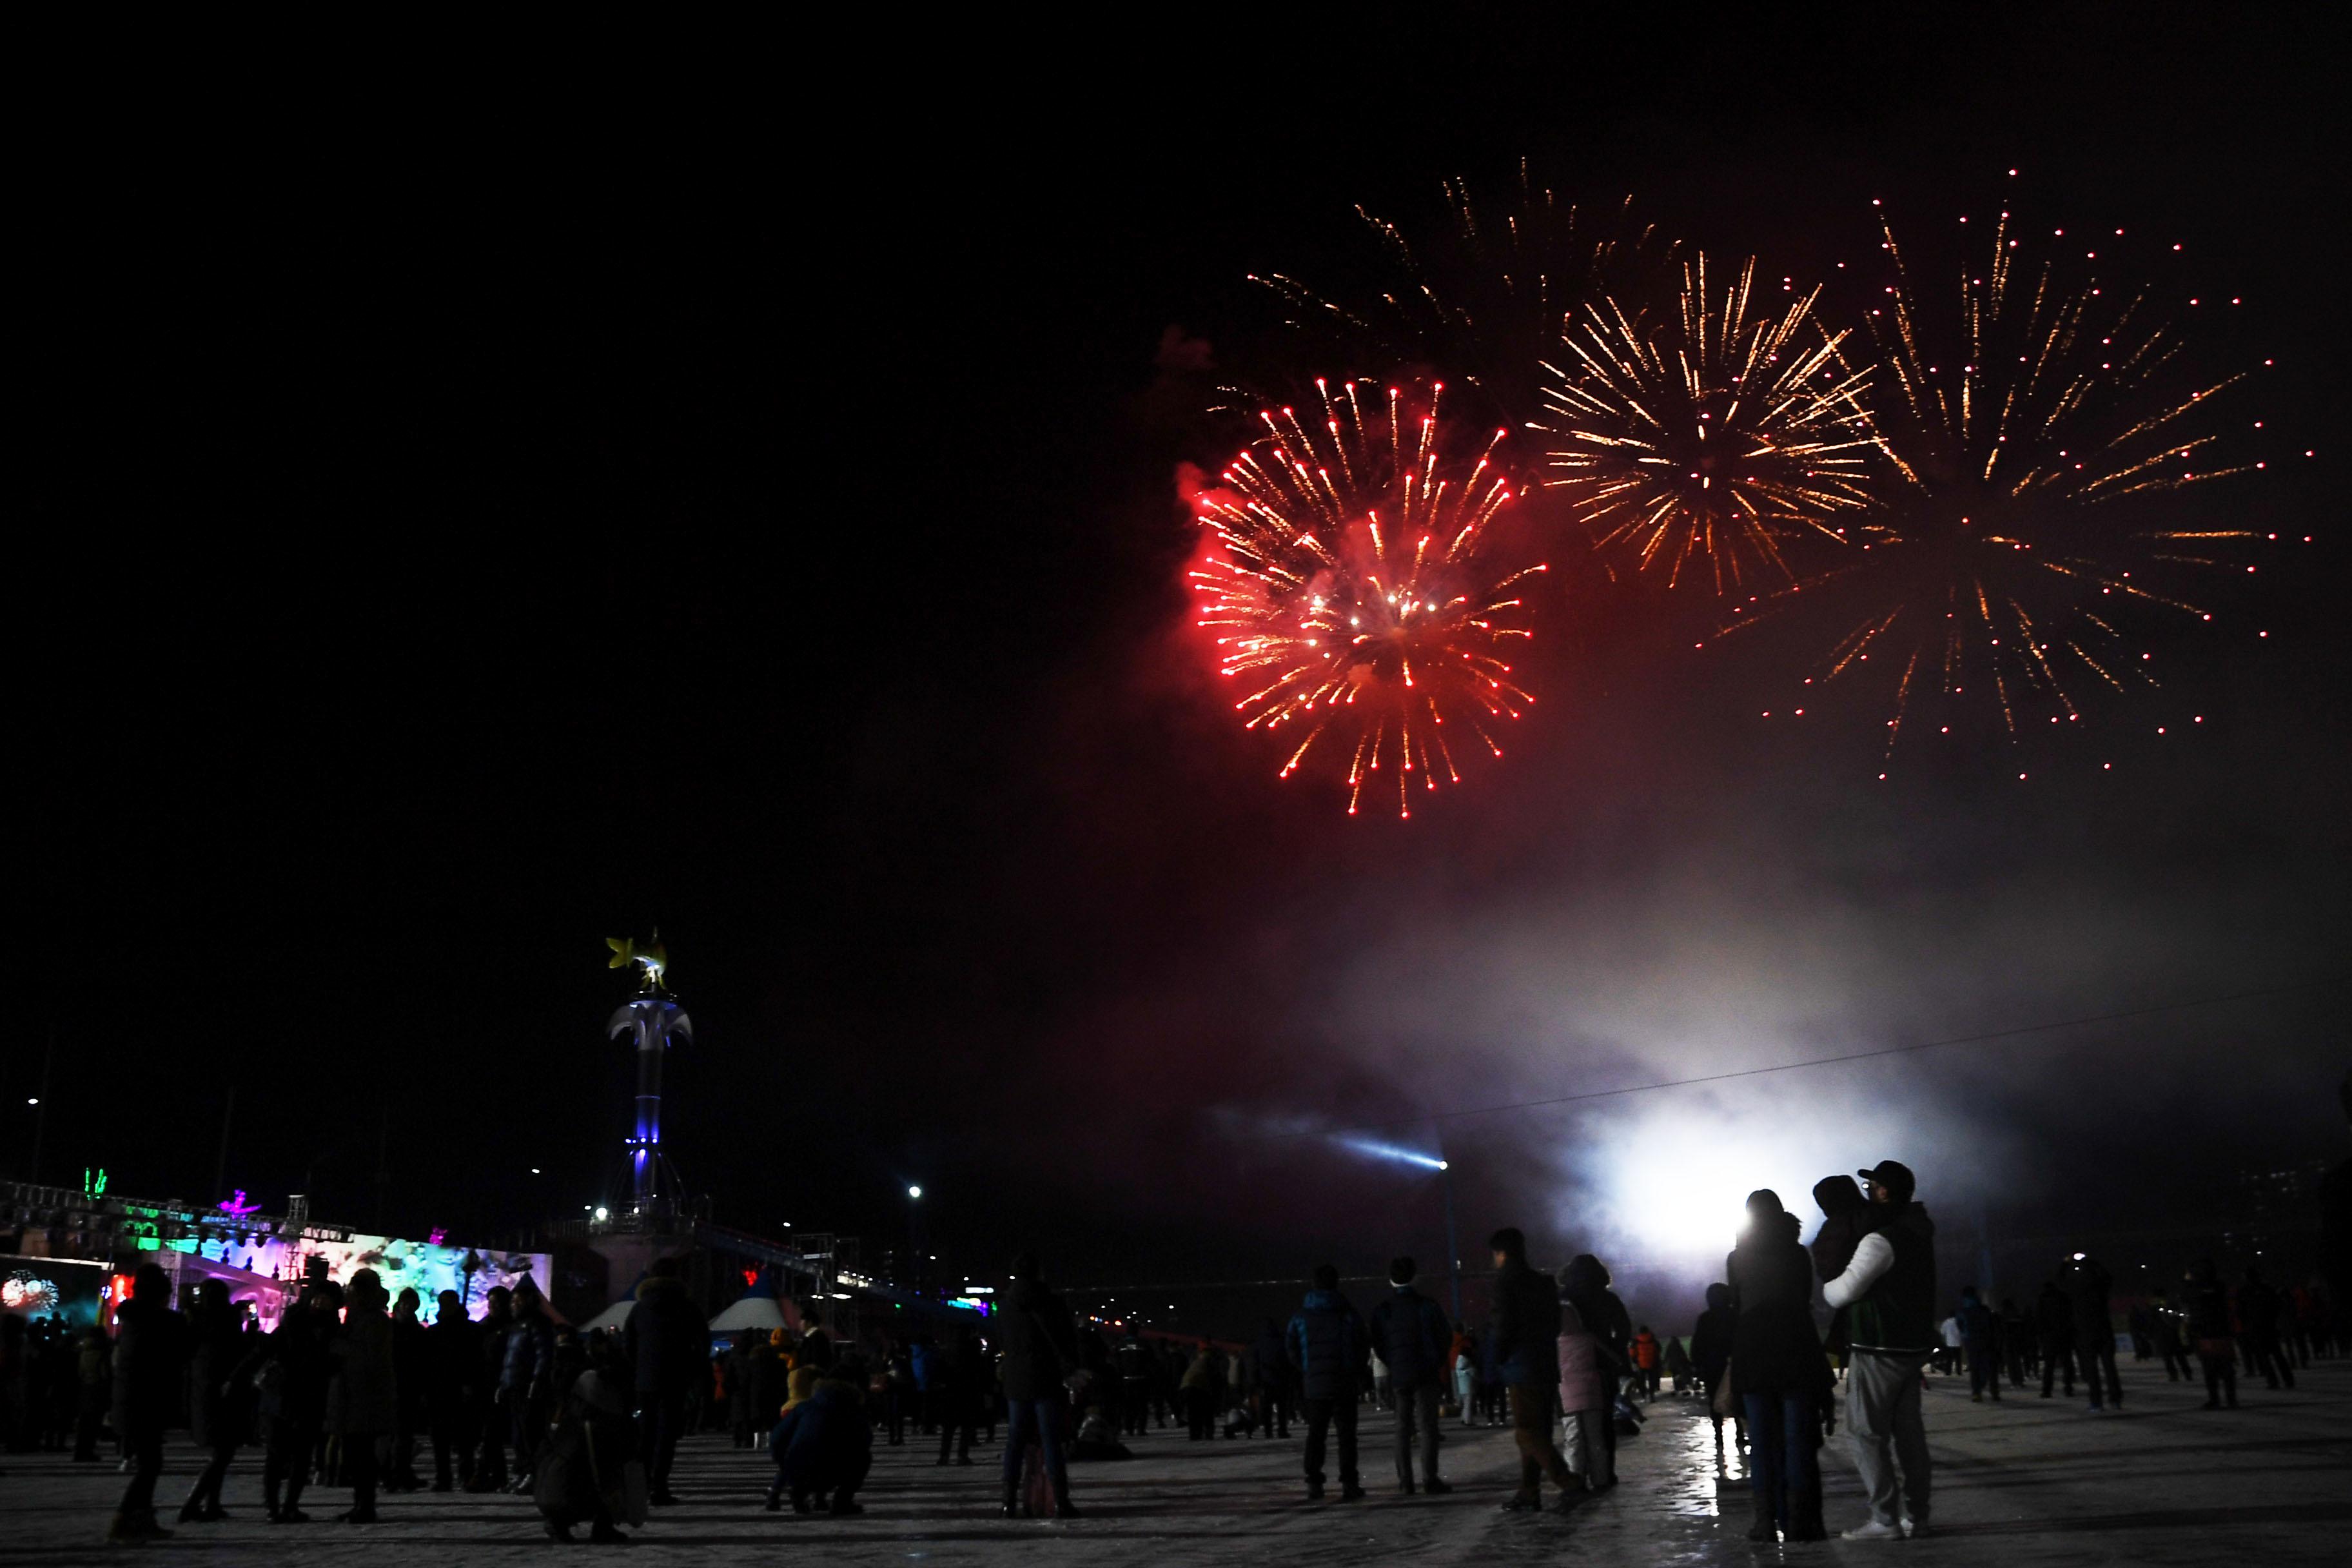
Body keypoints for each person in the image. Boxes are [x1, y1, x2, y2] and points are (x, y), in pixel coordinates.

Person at [1823, 1159, 1936, 1541]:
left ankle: (1885, 1518)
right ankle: (1918, 1516)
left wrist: (1826, 1290)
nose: (1867, 1192)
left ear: (1885, 1191)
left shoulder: (1881, 1239)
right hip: (1912, 1346)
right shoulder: (1919, 1231)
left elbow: (1842, 1292)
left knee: (1865, 1433)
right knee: (1910, 1436)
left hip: (1879, 1345)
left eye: (1872, 1186)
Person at [1727, 1191, 1831, 1543]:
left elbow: (1737, 1305)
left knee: (1761, 1441)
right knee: (1797, 1441)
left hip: (1753, 1354)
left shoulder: (1737, 1257)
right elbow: (1802, 1300)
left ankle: (1765, 1522)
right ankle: (1800, 1521)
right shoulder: (1798, 1253)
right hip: (1795, 1349)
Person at [1488, 1228, 1578, 1513]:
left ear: (1501, 1254)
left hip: (1521, 1364)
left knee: (1526, 1432)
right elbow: (1555, 1325)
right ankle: (1529, 1491)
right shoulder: (1543, 1283)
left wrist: (1498, 1358)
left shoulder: (1505, 1283)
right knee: (1537, 1431)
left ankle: (1566, 1480)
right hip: (1545, 1362)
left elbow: (1503, 1327)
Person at [998, 1253, 1079, 1518]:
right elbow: (1067, 1339)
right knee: (1050, 1440)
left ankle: (1008, 1502)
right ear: (1039, 1273)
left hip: (1016, 1379)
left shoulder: (1005, 1305)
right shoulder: (1052, 1302)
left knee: (1015, 1441)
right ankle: (1060, 1501)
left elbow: (1004, 1341)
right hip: (1045, 1378)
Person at [106, 1262, 182, 1544]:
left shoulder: (133, 1322)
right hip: (144, 1402)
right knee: (150, 1465)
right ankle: (124, 1519)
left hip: (133, 1400)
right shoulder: (157, 1323)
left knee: (151, 1463)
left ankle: (143, 1519)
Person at [622, 1257, 708, 1506]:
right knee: (666, 1435)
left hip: (646, 1380)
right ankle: (660, 1486)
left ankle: (642, 1484)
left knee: (645, 1434)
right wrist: (693, 1369)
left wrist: (640, 1367)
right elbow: (703, 1342)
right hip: (676, 1378)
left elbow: (628, 1343)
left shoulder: (639, 1308)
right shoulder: (687, 1306)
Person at [254, 1282, 337, 1522]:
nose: (321, 1302)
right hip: (283, 1397)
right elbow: (268, 1350)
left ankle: (290, 1505)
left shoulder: (333, 1330)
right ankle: (272, 1507)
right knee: (276, 1454)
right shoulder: (293, 1322)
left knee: (302, 1457)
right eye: (318, 1297)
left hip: (310, 1399)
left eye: (326, 1299)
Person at [1287, 1262, 1369, 1502]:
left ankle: (1314, 1483)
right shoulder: (1348, 1315)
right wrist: (1355, 1371)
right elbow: (1362, 1345)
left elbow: (1291, 1347)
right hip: (1344, 1383)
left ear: (1314, 1284)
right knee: (1346, 1436)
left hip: (1315, 1385)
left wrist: (1306, 1369)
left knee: (1316, 1434)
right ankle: (1349, 1483)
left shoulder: (1301, 1317)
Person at [1369, 1256, 1451, 1494]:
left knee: (1402, 1429)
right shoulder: (1428, 1306)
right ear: (1415, 1277)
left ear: (1391, 1280)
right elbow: (1444, 1337)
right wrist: (1435, 1361)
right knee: (1428, 1427)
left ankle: (1406, 1482)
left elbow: (1378, 1343)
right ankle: (1430, 1479)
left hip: (1400, 1374)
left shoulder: (1383, 1310)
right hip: (1425, 1374)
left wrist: (1393, 1362)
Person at [535, 1363, 638, 1542]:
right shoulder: (599, 1425)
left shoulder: (569, 1414)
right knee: (614, 1477)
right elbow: (604, 1471)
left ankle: (558, 1523)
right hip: (567, 1494)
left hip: (544, 1492)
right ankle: (602, 1528)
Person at [178, 1280, 249, 1523]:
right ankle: (194, 1503)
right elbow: (239, 1351)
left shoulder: (198, 1321)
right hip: (223, 1391)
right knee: (224, 1452)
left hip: (205, 1391)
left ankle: (211, 1503)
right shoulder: (226, 1320)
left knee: (221, 1450)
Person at [331, 1268, 398, 1524]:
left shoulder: (375, 1320)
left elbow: (369, 1357)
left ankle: (366, 1505)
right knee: (356, 1453)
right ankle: (360, 1503)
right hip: (354, 1395)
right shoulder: (358, 1317)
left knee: (363, 1455)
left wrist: (340, 1347)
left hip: (367, 1396)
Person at [766, 1362, 872, 1515]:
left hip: (798, 1468)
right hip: (835, 1470)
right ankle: (842, 1501)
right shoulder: (853, 1409)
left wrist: (785, 1462)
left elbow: (777, 1438)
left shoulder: (805, 1407)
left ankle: (800, 1493)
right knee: (864, 1458)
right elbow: (865, 1440)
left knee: (804, 1453)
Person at [1556, 1294, 1613, 1489]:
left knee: (1573, 1440)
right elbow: (1611, 1358)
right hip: (1592, 1393)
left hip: (1566, 1396)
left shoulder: (1554, 1343)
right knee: (1595, 1439)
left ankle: (1575, 1479)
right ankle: (1601, 1479)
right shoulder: (1589, 1338)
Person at [467, 1286, 514, 1491]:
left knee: (491, 1433)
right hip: (485, 1386)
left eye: (497, 1303)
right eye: (491, 1303)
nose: (493, 1307)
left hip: (503, 1385)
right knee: (489, 1433)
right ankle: (497, 1475)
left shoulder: (512, 1328)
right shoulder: (483, 1328)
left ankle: (483, 1474)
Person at [2065, 1253, 2122, 1410]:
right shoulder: (2100, 1289)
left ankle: (2096, 1402)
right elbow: (2107, 1276)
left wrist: (2066, 1263)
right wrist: (2091, 1261)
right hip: (2104, 1330)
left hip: (2086, 1333)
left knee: (2092, 1370)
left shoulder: (2076, 1291)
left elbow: (2060, 1280)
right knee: (2110, 1368)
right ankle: (2115, 1399)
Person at [1690, 1282, 1738, 1458]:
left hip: (1712, 1366)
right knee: (1737, 1398)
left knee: (1714, 1402)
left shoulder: (1705, 1318)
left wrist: (1697, 1365)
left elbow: (1698, 1343)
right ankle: (1740, 1434)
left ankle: (1719, 1436)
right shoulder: (1735, 1316)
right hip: (1733, 1364)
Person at [2183, 1260, 2237, 1409]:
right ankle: (2231, 1399)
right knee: (2226, 1369)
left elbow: (2192, 1306)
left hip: (2206, 1333)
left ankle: (2215, 1399)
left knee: (2210, 1369)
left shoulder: (2196, 1289)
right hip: (2222, 1332)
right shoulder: (2220, 1287)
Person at [2237, 1265, 2295, 1391]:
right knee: (2277, 1355)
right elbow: (2277, 1305)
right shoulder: (2265, 1289)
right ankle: (2287, 1380)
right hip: (2268, 1326)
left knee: (2266, 1357)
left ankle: (2273, 1381)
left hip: (2258, 1328)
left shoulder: (2245, 1292)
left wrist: (2248, 1324)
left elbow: (2240, 1312)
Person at [2034, 1279, 2077, 1399]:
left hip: (2050, 1336)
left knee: (2049, 1366)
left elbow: (2039, 1319)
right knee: (2067, 1363)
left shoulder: (2042, 1299)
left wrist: (2041, 1336)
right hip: (2064, 1335)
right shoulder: (2064, 1298)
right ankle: (2068, 1388)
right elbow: (2071, 1315)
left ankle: (2047, 1390)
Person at [1249, 1317, 1291, 1438]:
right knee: (1282, 1409)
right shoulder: (1282, 1342)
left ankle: (1269, 1432)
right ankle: (1282, 1430)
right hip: (1281, 1380)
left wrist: (1256, 1380)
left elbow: (1255, 1364)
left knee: (1267, 1409)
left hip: (1266, 1381)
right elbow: (1288, 1361)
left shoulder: (1259, 1344)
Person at [1958, 1288, 2001, 1403]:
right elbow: (1992, 1326)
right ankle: (1994, 1392)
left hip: (1972, 1342)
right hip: (1987, 1342)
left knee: (1975, 1369)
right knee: (1990, 1368)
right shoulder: (1985, 1309)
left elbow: (1961, 1327)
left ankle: (1977, 1393)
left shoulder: (1963, 1311)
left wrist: (1966, 1337)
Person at [1630, 1325, 1661, 1400]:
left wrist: (1635, 1360)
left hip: (1641, 1364)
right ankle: (1652, 1395)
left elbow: (1632, 1353)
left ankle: (1644, 1395)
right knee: (1652, 1379)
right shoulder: (1653, 1340)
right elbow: (1658, 1350)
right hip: (1652, 1363)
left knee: (1642, 1380)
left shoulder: (1636, 1341)